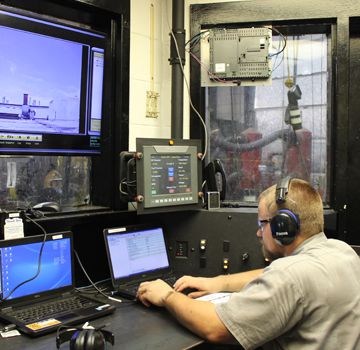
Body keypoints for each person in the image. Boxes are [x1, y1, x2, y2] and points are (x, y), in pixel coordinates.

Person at [137, 178, 360, 350]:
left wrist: (167, 296)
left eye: (262, 224)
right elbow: (270, 274)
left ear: (283, 226)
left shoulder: (289, 276)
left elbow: (215, 327)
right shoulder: (343, 252)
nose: (258, 232)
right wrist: (219, 283)